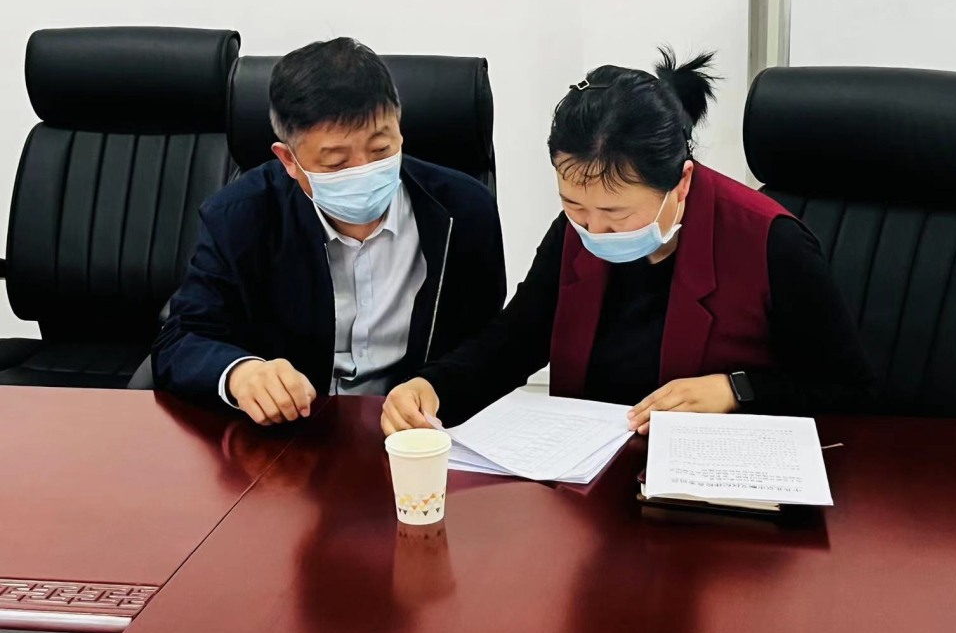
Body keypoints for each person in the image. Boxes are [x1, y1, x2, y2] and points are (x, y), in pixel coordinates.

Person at [382, 47, 876, 436]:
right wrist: (432, 386)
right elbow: (515, 340)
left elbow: (851, 391)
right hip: (593, 475)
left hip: (714, 495)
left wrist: (736, 391)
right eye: (574, 206)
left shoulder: (770, 242)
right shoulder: (576, 230)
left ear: (681, 183)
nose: (593, 231)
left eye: (616, 215)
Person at [153, 38, 506, 426]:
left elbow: (488, 345)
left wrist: (435, 387)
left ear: (400, 130)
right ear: (289, 160)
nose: (363, 170)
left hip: (415, 435)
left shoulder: (464, 211)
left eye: (380, 149)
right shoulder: (240, 216)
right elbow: (180, 339)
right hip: (292, 435)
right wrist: (242, 373)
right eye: (337, 162)